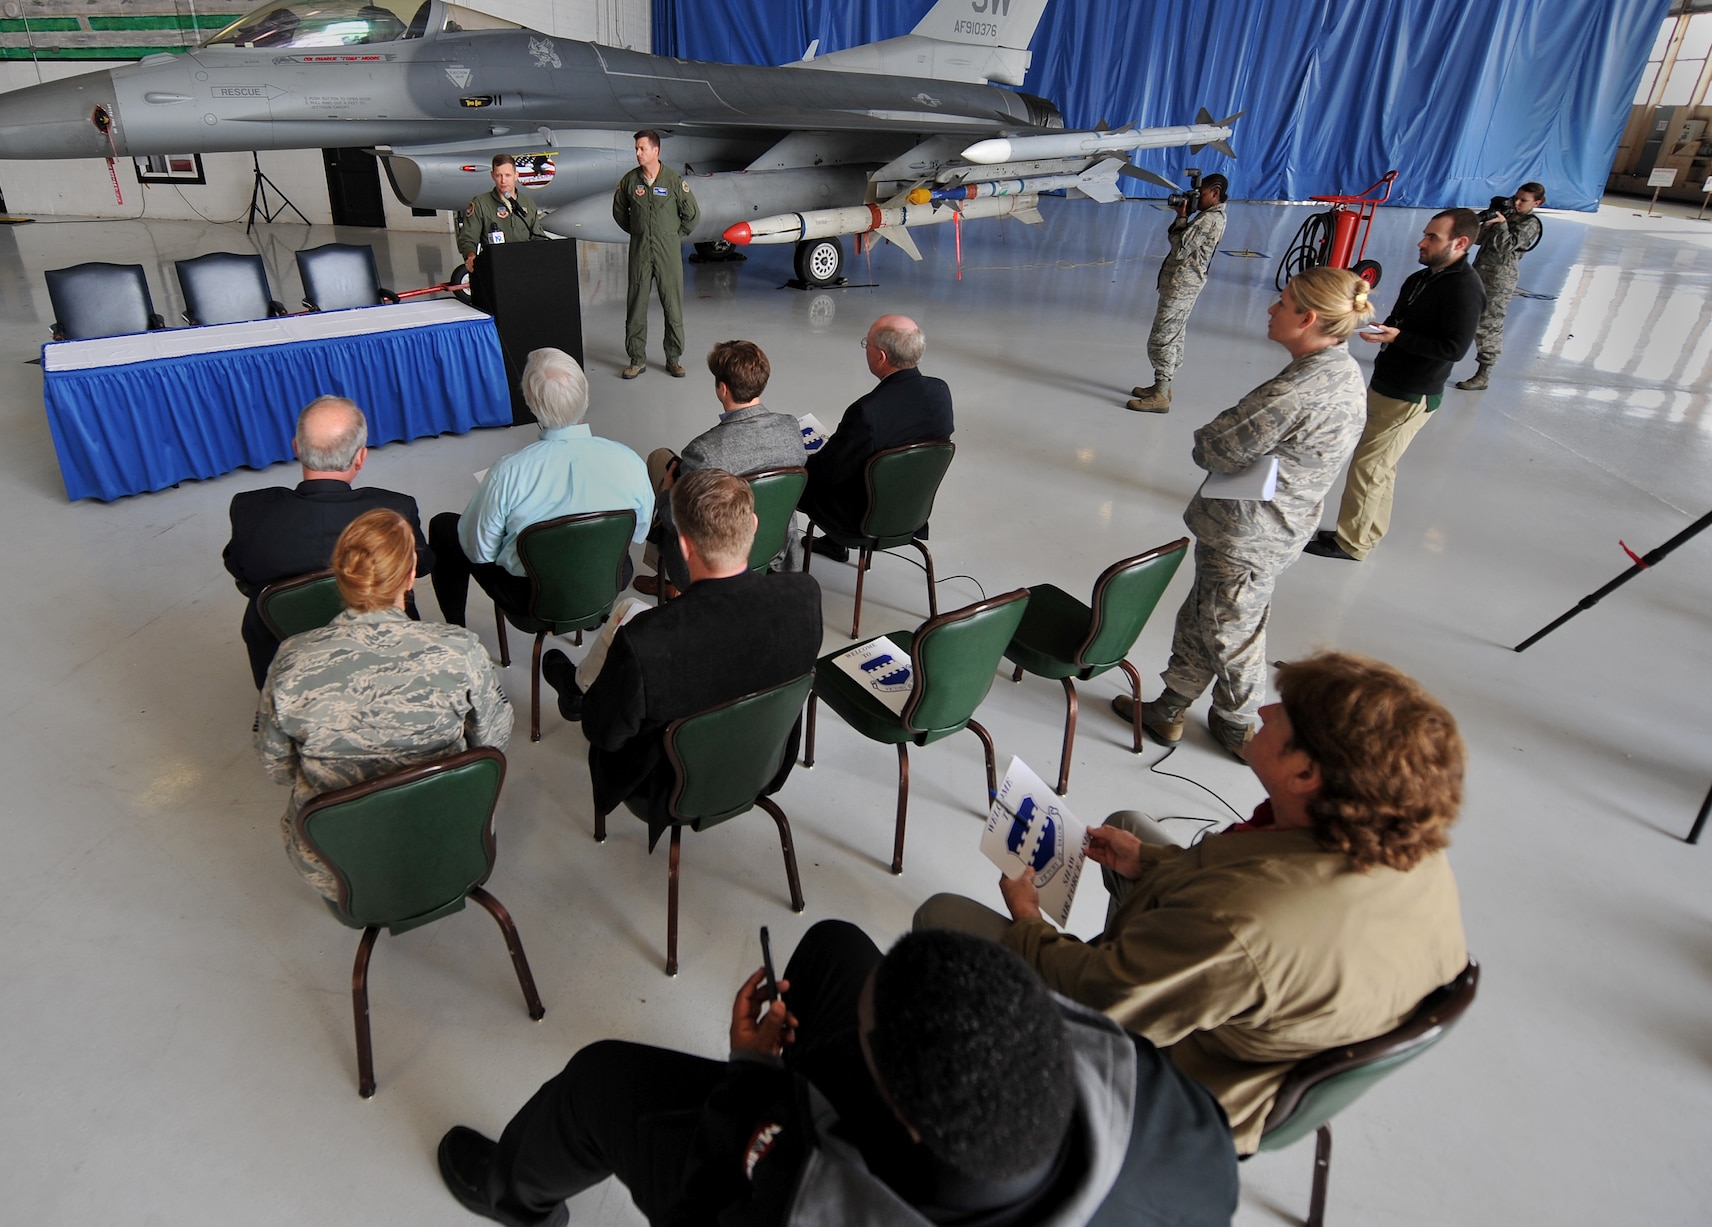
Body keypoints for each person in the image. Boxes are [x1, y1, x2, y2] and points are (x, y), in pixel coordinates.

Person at [915, 651, 1469, 1154]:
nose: (1267, 710)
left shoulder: (1241, 924)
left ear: (1305, 773)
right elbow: (1241, 889)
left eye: (1286, 714)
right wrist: (1148, 863)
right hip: (1277, 1007)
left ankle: (962, 1090)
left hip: (1190, 1076)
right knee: (1129, 828)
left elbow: (1103, 996)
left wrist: (1029, 919)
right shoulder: (1402, 839)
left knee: (943, 921)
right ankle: (1131, 947)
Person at [437, 921, 1240, 1227]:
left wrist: (752, 1077)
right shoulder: (1192, 1130)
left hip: (788, 1178)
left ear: (908, 1120)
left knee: (598, 1079)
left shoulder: (809, 1202)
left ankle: (518, 1197)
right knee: (834, 946)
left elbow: (705, 1210)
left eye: (866, 1041)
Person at [1113, 267, 1369, 759]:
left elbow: (1214, 448)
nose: (1272, 309)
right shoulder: (1339, 370)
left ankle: (1240, 724)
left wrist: (1220, 439)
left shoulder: (1295, 392)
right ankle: (1172, 706)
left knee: (1232, 629)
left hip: (1250, 532)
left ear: (1309, 318)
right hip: (1277, 521)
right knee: (1204, 614)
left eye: (1284, 303)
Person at [544, 469, 822, 848]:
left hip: (670, 788)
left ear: (685, 547)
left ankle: (574, 686)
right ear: (754, 525)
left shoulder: (647, 639)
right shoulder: (804, 595)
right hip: (763, 764)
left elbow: (603, 734)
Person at [256, 509, 512, 902]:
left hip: (340, 867)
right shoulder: (459, 651)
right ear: (410, 576)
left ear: (341, 574)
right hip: (452, 847)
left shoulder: (291, 662)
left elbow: (277, 768)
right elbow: (493, 739)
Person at [1306, 209, 1485, 563]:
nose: (1422, 242)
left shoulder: (1465, 289)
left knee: (1368, 467)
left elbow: (1454, 348)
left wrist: (1399, 337)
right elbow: (1405, 322)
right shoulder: (1423, 279)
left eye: (1433, 237)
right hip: (1388, 384)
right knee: (1380, 467)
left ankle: (1351, 543)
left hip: (1411, 393)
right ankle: (1366, 531)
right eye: (1425, 234)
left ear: (1460, 243)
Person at [429, 348, 653, 628]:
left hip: (530, 600)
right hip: (608, 581)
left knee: (443, 526)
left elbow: (479, 552)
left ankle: (455, 630)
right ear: (585, 394)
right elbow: (639, 532)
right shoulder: (628, 460)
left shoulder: (508, 472)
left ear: (532, 404)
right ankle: (589, 614)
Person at [223, 395, 431, 688]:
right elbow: (421, 566)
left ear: (297, 448)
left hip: (283, 653)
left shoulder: (249, 509)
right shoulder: (394, 509)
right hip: (384, 651)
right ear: (361, 456)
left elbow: (241, 571)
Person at [636, 339, 806, 595]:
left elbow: (676, 520)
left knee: (661, 463)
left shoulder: (703, 452)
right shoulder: (791, 428)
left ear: (722, 389)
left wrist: (666, 494)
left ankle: (669, 582)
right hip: (774, 544)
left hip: (715, 561)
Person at [800, 314, 954, 563]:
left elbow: (828, 474)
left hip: (859, 518)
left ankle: (781, 558)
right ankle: (832, 543)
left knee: (798, 479)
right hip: (911, 511)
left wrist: (798, 456)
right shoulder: (940, 392)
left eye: (866, 344)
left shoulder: (867, 412)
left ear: (881, 357)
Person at [1127, 173, 1229, 414]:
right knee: (1175, 335)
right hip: (1183, 283)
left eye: (1201, 195)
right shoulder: (1210, 216)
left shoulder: (1209, 220)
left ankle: (1160, 395)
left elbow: (1181, 248)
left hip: (1182, 285)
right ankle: (1163, 386)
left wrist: (1182, 218)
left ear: (1215, 193)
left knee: (1162, 336)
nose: (1197, 199)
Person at [612, 129, 701, 380]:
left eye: (642, 148)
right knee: (636, 305)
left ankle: (673, 358)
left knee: (672, 304)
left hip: (667, 252)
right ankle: (637, 359)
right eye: (637, 149)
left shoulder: (673, 181)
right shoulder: (630, 181)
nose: (638, 153)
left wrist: (672, 234)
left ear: (656, 151)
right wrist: (639, 231)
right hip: (640, 251)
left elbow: (692, 215)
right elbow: (619, 212)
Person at [1455, 182, 1545, 391]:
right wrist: (1486, 223)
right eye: (1516, 197)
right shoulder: (1507, 214)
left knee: (1489, 324)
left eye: (1524, 200)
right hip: (1478, 273)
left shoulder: (1530, 223)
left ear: (1537, 203)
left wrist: (1502, 224)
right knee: (1460, 314)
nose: (1517, 202)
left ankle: (1483, 374)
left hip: (1499, 280)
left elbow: (1506, 247)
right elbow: (1477, 241)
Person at [456, 153, 545, 275]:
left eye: (508, 175)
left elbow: (538, 236)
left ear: (516, 176)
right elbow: (467, 238)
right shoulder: (481, 203)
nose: (503, 180)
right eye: (499, 175)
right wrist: (470, 256)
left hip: (525, 268)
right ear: (492, 176)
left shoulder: (527, 202)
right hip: (495, 269)